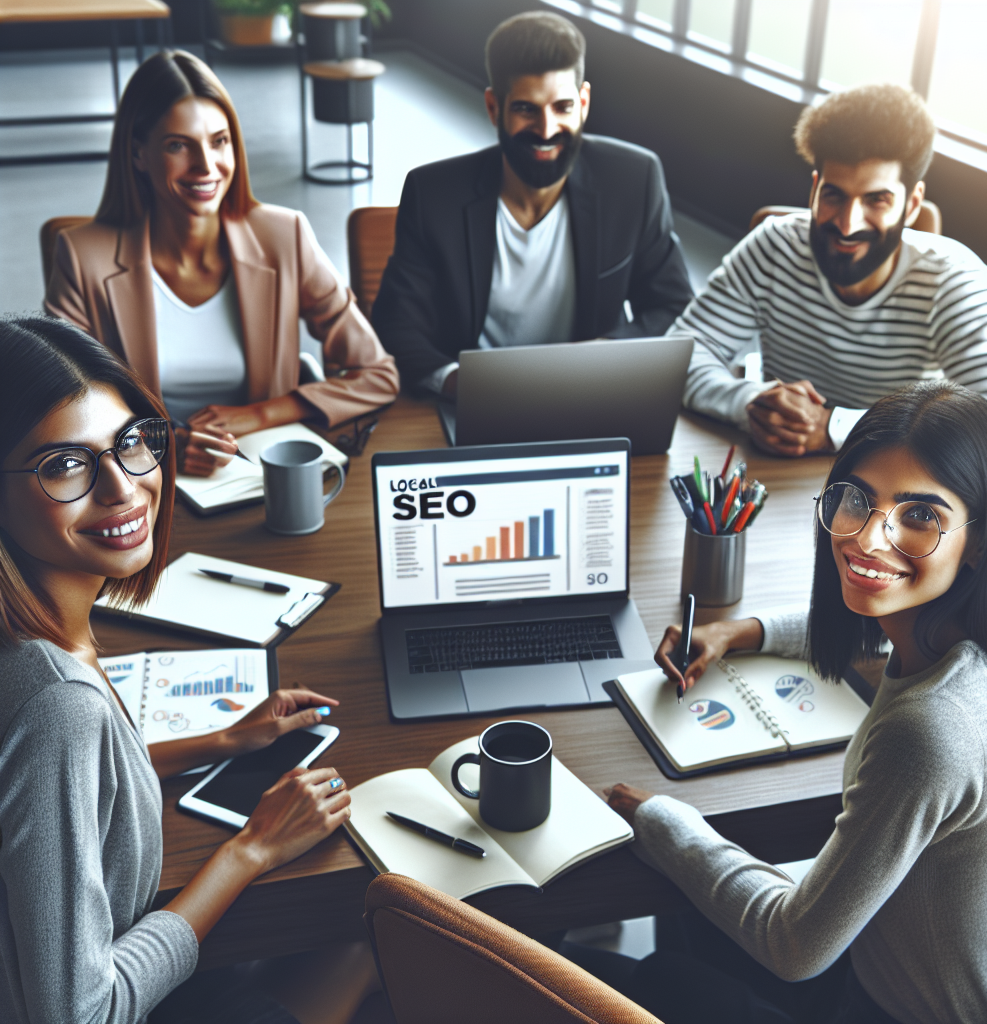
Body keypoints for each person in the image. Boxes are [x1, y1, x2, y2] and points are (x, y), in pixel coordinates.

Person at [578, 381, 987, 1023]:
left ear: (979, 539)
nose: (870, 540)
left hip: (885, 1007)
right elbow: (865, 630)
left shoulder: (931, 731)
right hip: (883, 957)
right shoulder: (980, 637)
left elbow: (794, 946)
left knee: (630, 977)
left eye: (920, 515)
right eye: (857, 501)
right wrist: (740, 631)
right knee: (686, 920)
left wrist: (662, 819)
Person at [0, 315, 376, 1024]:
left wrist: (220, 743)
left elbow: (53, 794)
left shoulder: (35, 642)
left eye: (131, 442)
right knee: (370, 946)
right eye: (64, 465)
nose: (123, 489)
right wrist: (251, 850)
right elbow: (81, 1012)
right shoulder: (57, 704)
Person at [45, 50, 399, 478]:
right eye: (178, 145)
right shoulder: (83, 256)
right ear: (138, 154)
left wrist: (259, 415)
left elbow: (377, 374)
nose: (206, 167)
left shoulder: (285, 236)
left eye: (219, 141)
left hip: (259, 474)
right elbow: (64, 408)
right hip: (141, 478)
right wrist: (167, 442)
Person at [676, 83, 987, 457]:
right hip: (777, 471)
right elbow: (681, 356)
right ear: (813, 190)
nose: (846, 224)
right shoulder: (774, 246)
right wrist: (752, 402)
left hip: (896, 487)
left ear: (912, 205)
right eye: (834, 195)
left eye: (877, 200)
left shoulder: (956, 281)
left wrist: (834, 426)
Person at [371, 10, 693, 395]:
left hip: (589, 397)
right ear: (494, 108)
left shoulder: (634, 180)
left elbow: (672, 307)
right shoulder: (432, 194)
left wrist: (601, 359)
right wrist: (463, 384)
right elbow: (396, 328)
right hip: (472, 403)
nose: (546, 129)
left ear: (584, 102)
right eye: (526, 108)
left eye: (562, 107)